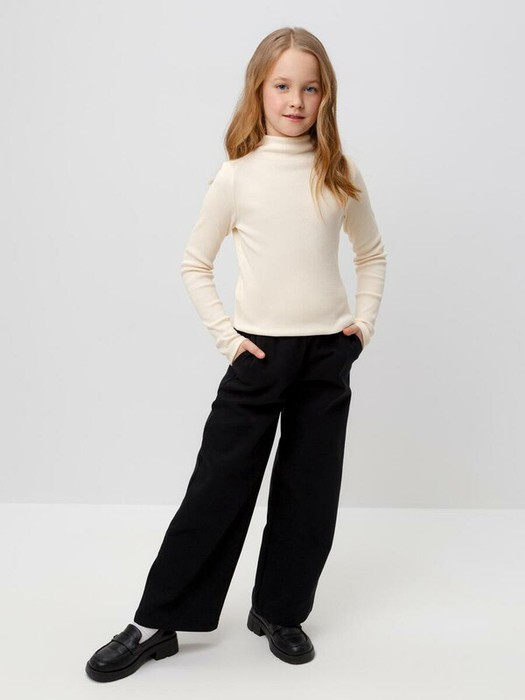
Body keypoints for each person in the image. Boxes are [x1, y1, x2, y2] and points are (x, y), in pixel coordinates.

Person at [85, 25, 387, 682]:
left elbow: (371, 254)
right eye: (283, 86)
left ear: (326, 95)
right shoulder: (238, 175)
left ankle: (279, 611)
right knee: (217, 489)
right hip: (258, 356)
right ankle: (156, 622)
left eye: (310, 88)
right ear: (259, 90)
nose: (296, 100)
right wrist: (228, 338)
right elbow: (195, 263)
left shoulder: (339, 172)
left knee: (310, 492)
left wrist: (360, 327)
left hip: (326, 356)